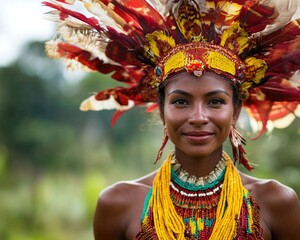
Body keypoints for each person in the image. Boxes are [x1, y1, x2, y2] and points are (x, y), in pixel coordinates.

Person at [43, 0, 300, 239]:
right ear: (161, 110)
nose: (198, 117)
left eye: (215, 101)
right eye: (180, 101)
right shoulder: (118, 203)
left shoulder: (276, 202)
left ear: (235, 111)